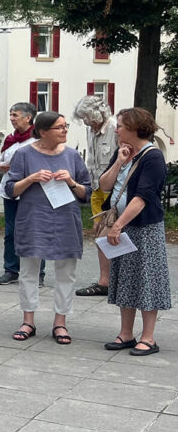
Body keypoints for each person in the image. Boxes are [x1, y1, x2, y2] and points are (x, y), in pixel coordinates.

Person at [3, 112, 91, 344]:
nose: (65, 130)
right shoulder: (24, 154)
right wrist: (31, 178)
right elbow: (11, 189)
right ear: (43, 132)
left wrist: (71, 182)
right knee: (28, 272)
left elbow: (87, 193)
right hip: (33, 219)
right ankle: (28, 320)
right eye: (59, 127)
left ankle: (60, 323)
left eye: (65, 126)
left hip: (66, 220)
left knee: (66, 273)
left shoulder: (72, 155)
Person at [100, 108, 170, 357]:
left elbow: (143, 197)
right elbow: (104, 185)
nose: (116, 129)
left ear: (133, 127)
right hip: (123, 224)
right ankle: (126, 333)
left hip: (144, 228)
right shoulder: (124, 151)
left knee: (146, 280)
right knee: (126, 279)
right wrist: (119, 162)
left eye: (119, 125)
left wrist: (118, 226)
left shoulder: (152, 157)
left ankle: (148, 338)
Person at [0, 102, 46, 286]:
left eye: (15, 115)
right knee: (11, 233)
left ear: (28, 117)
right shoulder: (11, 138)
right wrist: (3, 166)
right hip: (10, 191)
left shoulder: (39, 140)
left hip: (31, 193)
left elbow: (43, 165)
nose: (11, 118)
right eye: (11, 114)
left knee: (35, 232)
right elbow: (2, 159)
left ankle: (38, 273)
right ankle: (11, 270)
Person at [73, 97, 118, 297]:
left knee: (109, 236)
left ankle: (108, 281)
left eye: (86, 118)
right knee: (100, 235)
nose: (85, 122)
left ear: (95, 114)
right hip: (97, 191)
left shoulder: (115, 128)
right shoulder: (90, 131)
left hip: (113, 191)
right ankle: (106, 280)